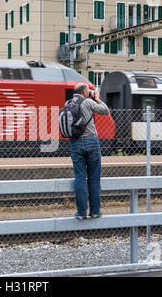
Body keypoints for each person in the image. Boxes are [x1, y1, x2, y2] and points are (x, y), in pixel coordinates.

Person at [70, 83, 110, 220]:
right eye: (89, 91)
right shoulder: (87, 102)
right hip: (91, 142)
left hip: (75, 143)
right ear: (85, 91)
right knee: (94, 178)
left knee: (80, 177)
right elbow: (105, 111)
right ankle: (95, 211)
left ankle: (81, 212)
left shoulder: (68, 103)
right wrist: (97, 98)